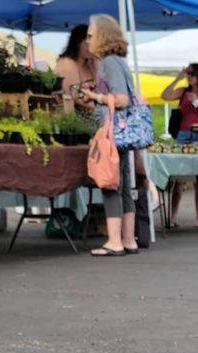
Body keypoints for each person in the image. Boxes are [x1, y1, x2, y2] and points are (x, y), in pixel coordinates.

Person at [82, 15, 138, 257]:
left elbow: (122, 99)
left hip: (112, 133)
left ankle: (115, 241)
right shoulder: (119, 62)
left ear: (102, 36)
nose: (87, 40)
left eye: (91, 35)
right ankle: (128, 239)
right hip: (122, 132)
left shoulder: (109, 63)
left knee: (109, 181)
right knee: (123, 184)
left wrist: (95, 97)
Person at [161, 61, 198, 228]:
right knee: (177, 176)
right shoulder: (183, 92)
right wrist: (177, 78)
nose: (189, 77)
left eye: (192, 74)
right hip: (183, 133)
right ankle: (173, 216)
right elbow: (165, 95)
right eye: (188, 74)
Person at [55, 24, 94, 115]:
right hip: (74, 116)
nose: (91, 48)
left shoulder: (88, 64)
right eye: (87, 44)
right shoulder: (66, 64)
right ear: (77, 43)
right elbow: (76, 96)